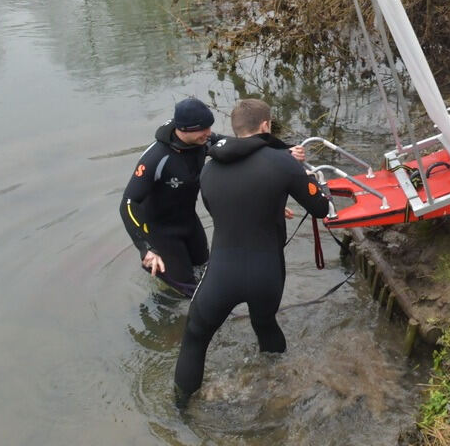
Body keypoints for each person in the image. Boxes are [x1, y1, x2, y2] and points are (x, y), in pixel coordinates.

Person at [173, 99, 332, 406]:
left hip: (221, 274)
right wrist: (312, 183)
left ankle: (180, 413)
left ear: (235, 129)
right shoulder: (283, 163)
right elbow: (320, 208)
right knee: (265, 323)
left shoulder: (208, 171)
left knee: (195, 337)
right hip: (266, 273)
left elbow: (223, 210)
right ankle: (278, 391)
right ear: (265, 126)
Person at [120, 98, 217, 297]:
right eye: (203, 129)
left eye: (210, 127)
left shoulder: (202, 141)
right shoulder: (156, 157)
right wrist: (145, 248)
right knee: (185, 292)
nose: (209, 133)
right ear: (184, 129)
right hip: (161, 231)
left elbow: (238, 145)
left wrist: (282, 151)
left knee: (207, 272)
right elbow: (128, 203)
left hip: (189, 222)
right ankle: (164, 309)